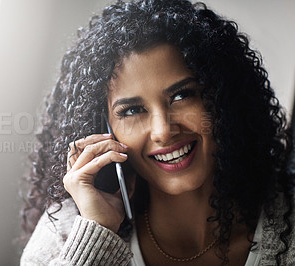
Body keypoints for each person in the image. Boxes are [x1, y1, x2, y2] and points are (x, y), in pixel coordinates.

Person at [20, 0, 295, 265]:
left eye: (182, 96)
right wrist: (96, 237)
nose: (163, 131)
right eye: (131, 111)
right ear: (104, 130)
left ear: (222, 97)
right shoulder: (63, 235)